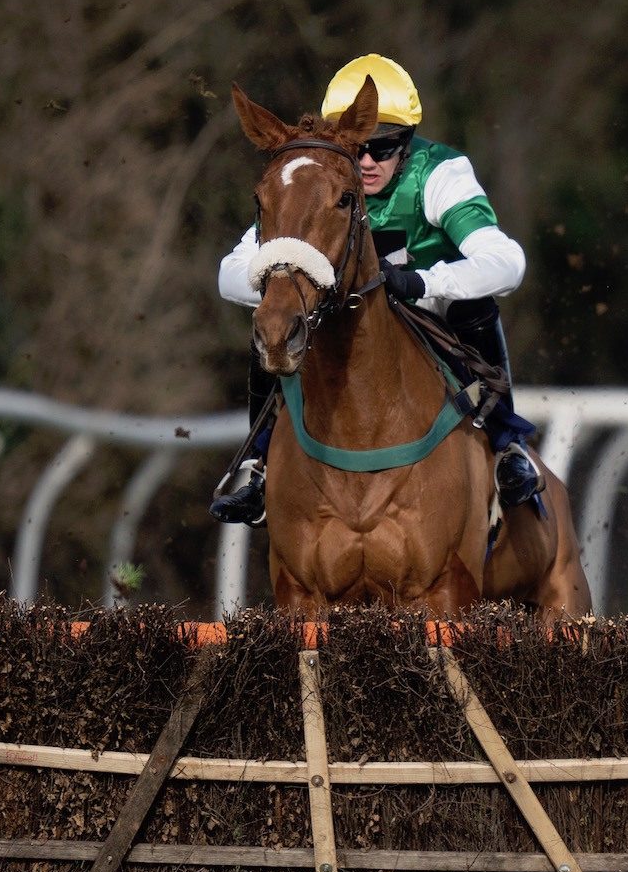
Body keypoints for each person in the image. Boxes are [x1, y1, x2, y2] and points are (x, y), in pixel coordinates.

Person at [210, 54, 541, 524]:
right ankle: (258, 465)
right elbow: (230, 273)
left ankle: (508, 445)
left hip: (428, 311)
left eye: (381, 148)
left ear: (406, 143)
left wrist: (423, 281)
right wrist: (290, 285)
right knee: (274, 318)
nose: (365, 162)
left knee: (474, 306)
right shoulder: (317, 177)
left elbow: (507, 262)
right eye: (358, 148)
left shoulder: (439, 173)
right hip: (340, 313)